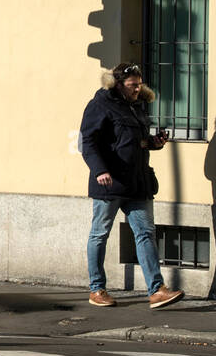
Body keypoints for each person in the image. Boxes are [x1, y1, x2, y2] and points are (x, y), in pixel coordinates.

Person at [79, 62, 184, 309]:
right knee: (99, 234)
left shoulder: (136, 106)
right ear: (118, 84)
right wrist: (100, 170)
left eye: (139, 84)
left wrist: (153, 142)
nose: (138, 89)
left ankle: (156, 290)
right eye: (132, 85)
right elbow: (88, 142)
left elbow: (135, 142)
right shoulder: (100, 105)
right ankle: (97, 289)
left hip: (138, 182)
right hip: (110, 182)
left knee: (145, 233)